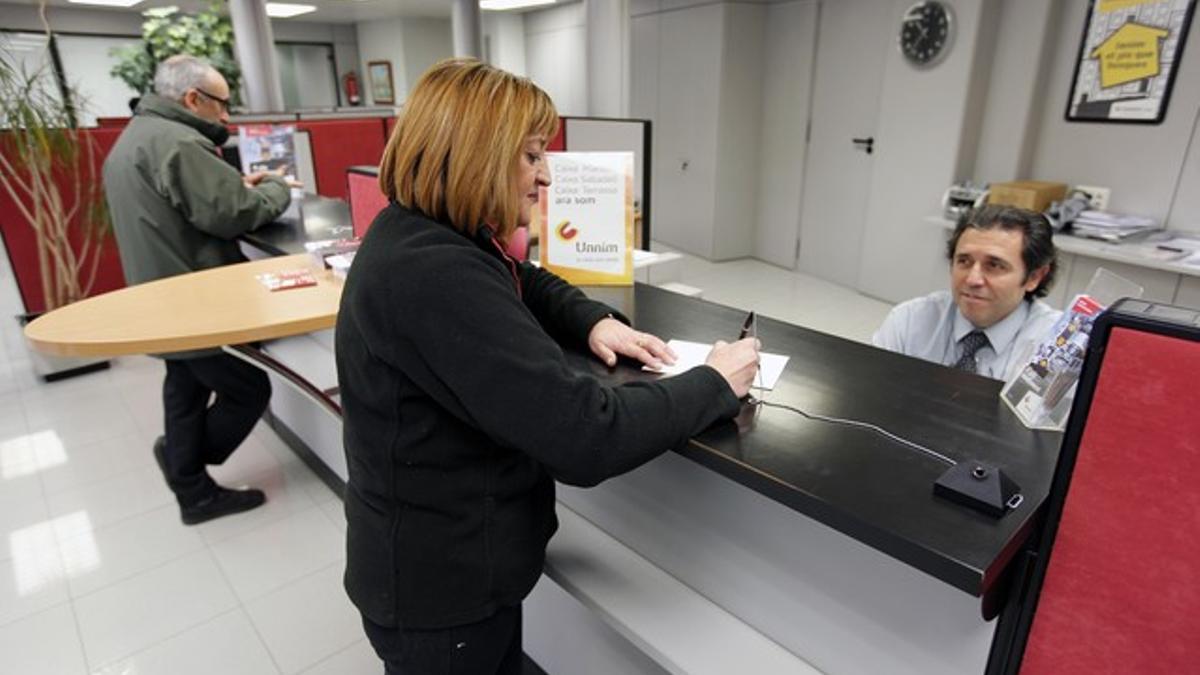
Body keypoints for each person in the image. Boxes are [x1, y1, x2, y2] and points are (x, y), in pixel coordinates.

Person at [336, 57, 760, 675]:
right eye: (531, 156)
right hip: (443, 598)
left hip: (439, 574)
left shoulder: (426, 236)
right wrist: (713, 383)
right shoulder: (434, 274)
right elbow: (585, 435)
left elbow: (522, 279)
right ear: (479, 153)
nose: (544, 178)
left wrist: (594, 321)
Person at [102, 55, 293, 525]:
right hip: (191, 302)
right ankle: (183, 467)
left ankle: (191, 488)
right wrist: (274, 187)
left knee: (183, 388)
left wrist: (227, 184)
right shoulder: (179, 143)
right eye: (222, 105)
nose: (227, 117)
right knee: (248, 387)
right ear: (193, 99)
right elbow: (234, 214)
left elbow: (182, 202)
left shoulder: (138, 136)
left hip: (159, 295)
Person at [872, 204, 1062, 381]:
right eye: (964, 261)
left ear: (1034, 277)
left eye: (994, 265)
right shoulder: (909, 322)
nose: (973, 279)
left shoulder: (1056, 348)